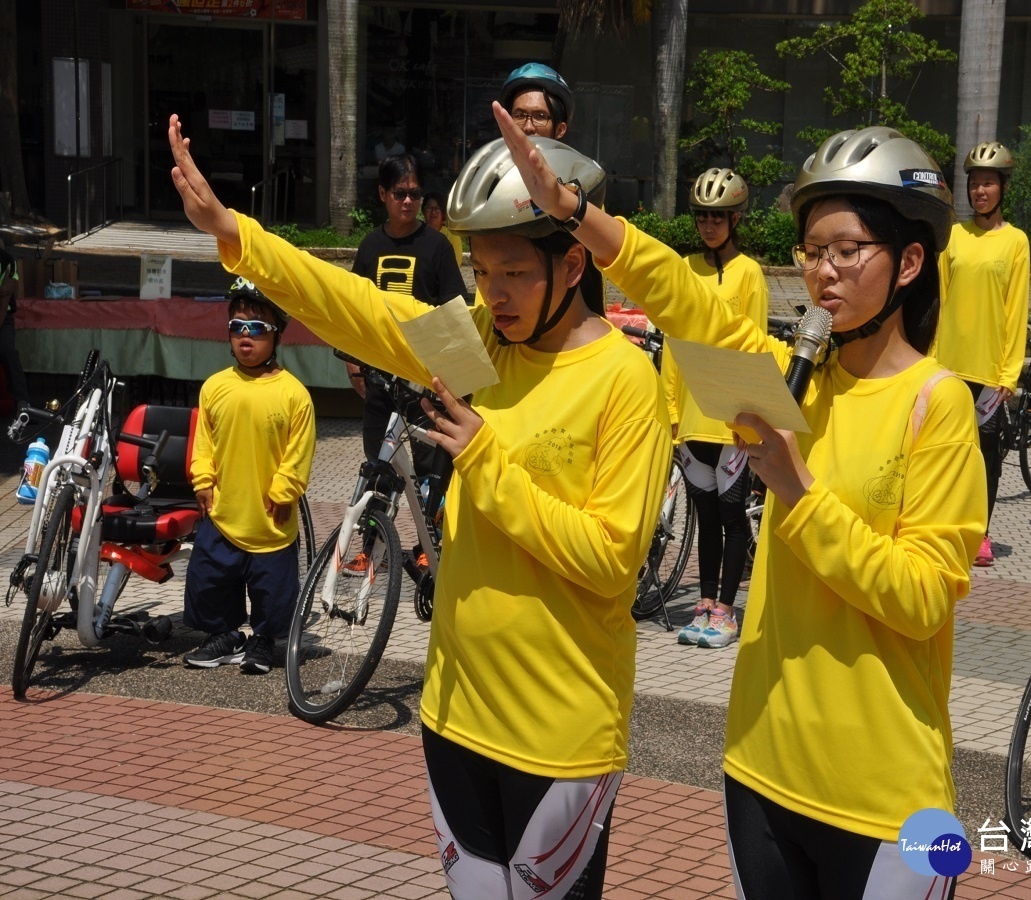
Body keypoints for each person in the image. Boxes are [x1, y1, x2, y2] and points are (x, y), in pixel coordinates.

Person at [168, 115, 670, 899]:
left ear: (574, 264)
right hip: (456, 716)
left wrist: (487, 462)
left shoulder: (625, 382)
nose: (492, 295)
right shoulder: (481, 343)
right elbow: (361, 310)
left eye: (513, 274)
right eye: (482, 272)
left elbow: (610, 561)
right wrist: (238, 235)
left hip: (559, 735)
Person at [491, 110, 986, 898]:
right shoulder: (787, 380)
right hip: (761, 768)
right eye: (812, 252)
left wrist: (802, 493)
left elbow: (923, 599)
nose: (824, 272)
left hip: (886, 795)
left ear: (909, 261)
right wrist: (576, 214)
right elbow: (682, 299)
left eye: (848, 251)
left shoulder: (939, 403)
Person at [182, 277, 316, 675]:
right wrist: (202, 479)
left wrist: (285, 488)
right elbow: (203, 441)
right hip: (224, 510)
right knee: (209, 579)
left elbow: (300, 450)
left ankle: (262, 640)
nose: (246, 336)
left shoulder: (294, 394)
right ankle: (223, 635)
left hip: (269, 515)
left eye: (257, 328)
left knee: (272, 589)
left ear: (276, 337)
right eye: (237, 326)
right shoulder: (214, 387)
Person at [342, 155, 467, 575]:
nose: (409, 201)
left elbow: (455, 310)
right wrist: (355, 366)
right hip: (380, 380)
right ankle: (371, 548)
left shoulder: (438, 248)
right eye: (400, 193)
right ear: (383, 194)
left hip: (425, 381)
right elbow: (356, 314)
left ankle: (426, 546)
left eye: (415, 193)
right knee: (377, 466)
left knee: (431, 471)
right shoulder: (370, 248)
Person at [664, 168, 768, 648]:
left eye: (718, 217)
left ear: (736, 218)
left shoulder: (749, 272)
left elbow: (757, 348)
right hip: (691, 410)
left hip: (730, 418)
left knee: (730, 517)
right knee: (702, 517)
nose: (708, 226)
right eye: (702, 217)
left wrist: (751, 415)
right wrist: (668, 409)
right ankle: (705, 604)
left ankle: (727, 609)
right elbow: (672, 338)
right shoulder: (685, 267)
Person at [933, 141, 1030, 567]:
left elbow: (1016, 310)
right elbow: (938, 300)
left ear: (1002, 188)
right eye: (974, 183)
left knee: (987, 457)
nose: (980, 191)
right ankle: (941, 526)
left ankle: (981, 534)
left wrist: (1008, 373)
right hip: (948, 365)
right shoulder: (953, 235)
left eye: (988, 183)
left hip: (990, 370)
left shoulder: (1016, 242)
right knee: (945, 452)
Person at [498, 62, 573, 140]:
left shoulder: (571, 153)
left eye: (540, 116)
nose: (528, 127)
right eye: (520, 115)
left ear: (560, 130)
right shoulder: (489, 152)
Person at [0, 239, 30, 413]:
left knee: (7, 351)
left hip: (3, 318)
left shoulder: (8, 262)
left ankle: (23, 403)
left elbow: (4, 300)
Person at [422, 190, 463, 264]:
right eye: (429, 208)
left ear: (443, 212)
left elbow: (455, 265)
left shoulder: (453, 236)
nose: (433, 212)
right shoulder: (417, 233)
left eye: (437, 208)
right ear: (423, 211)